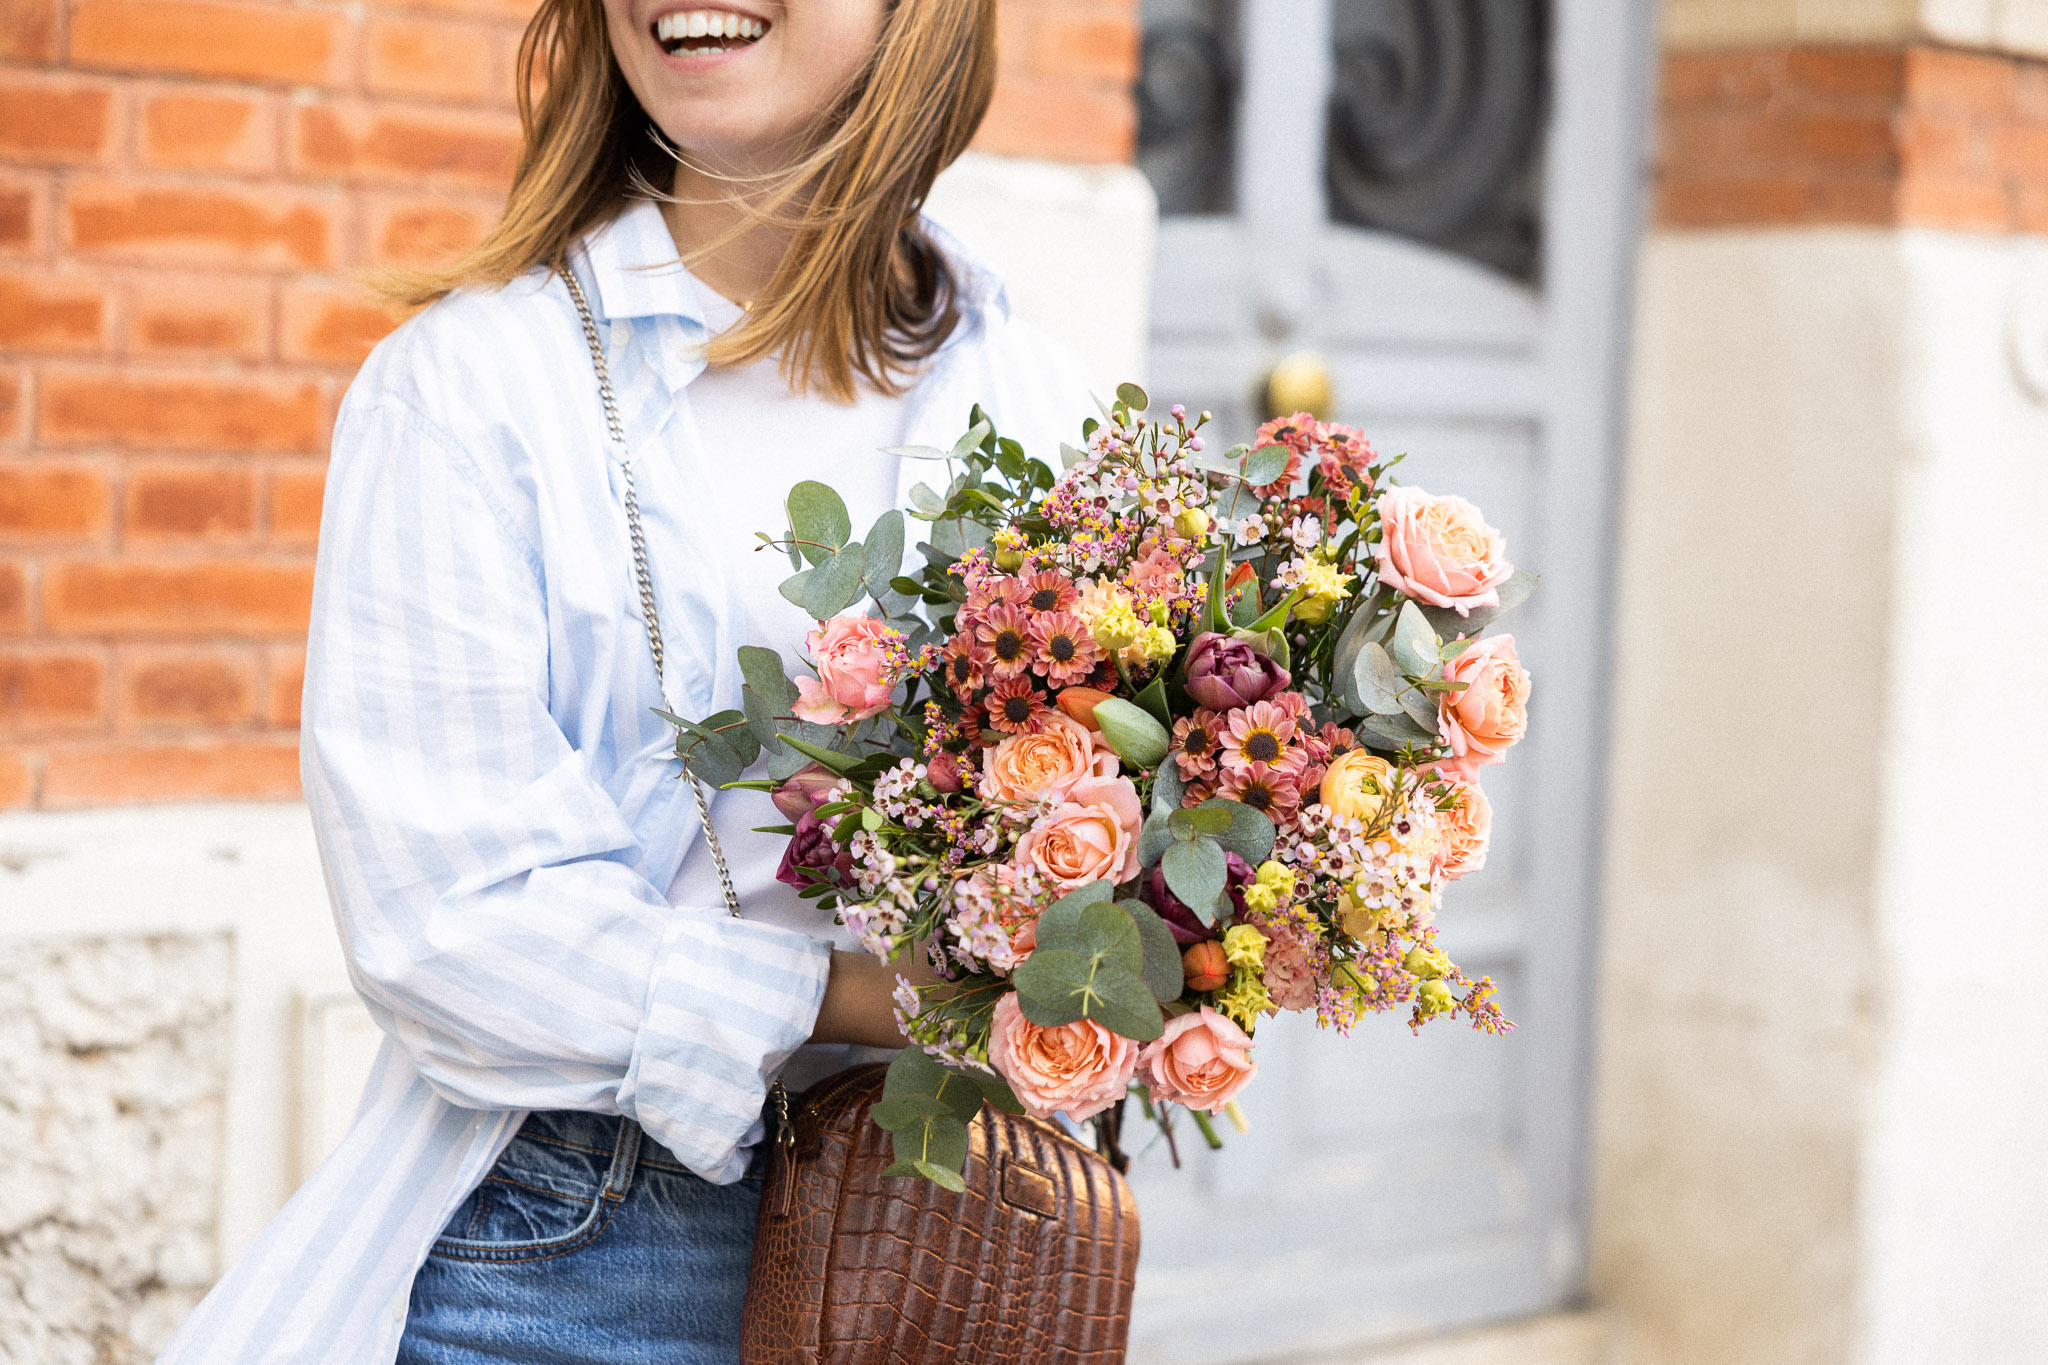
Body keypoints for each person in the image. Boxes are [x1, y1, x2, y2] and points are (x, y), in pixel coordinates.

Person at [156, 0, 1087, 1360]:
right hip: (579, 1251)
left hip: (949, 1236)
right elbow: (455, 929)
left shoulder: (1042, 400)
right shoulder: (473, 392)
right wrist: (859, 998)